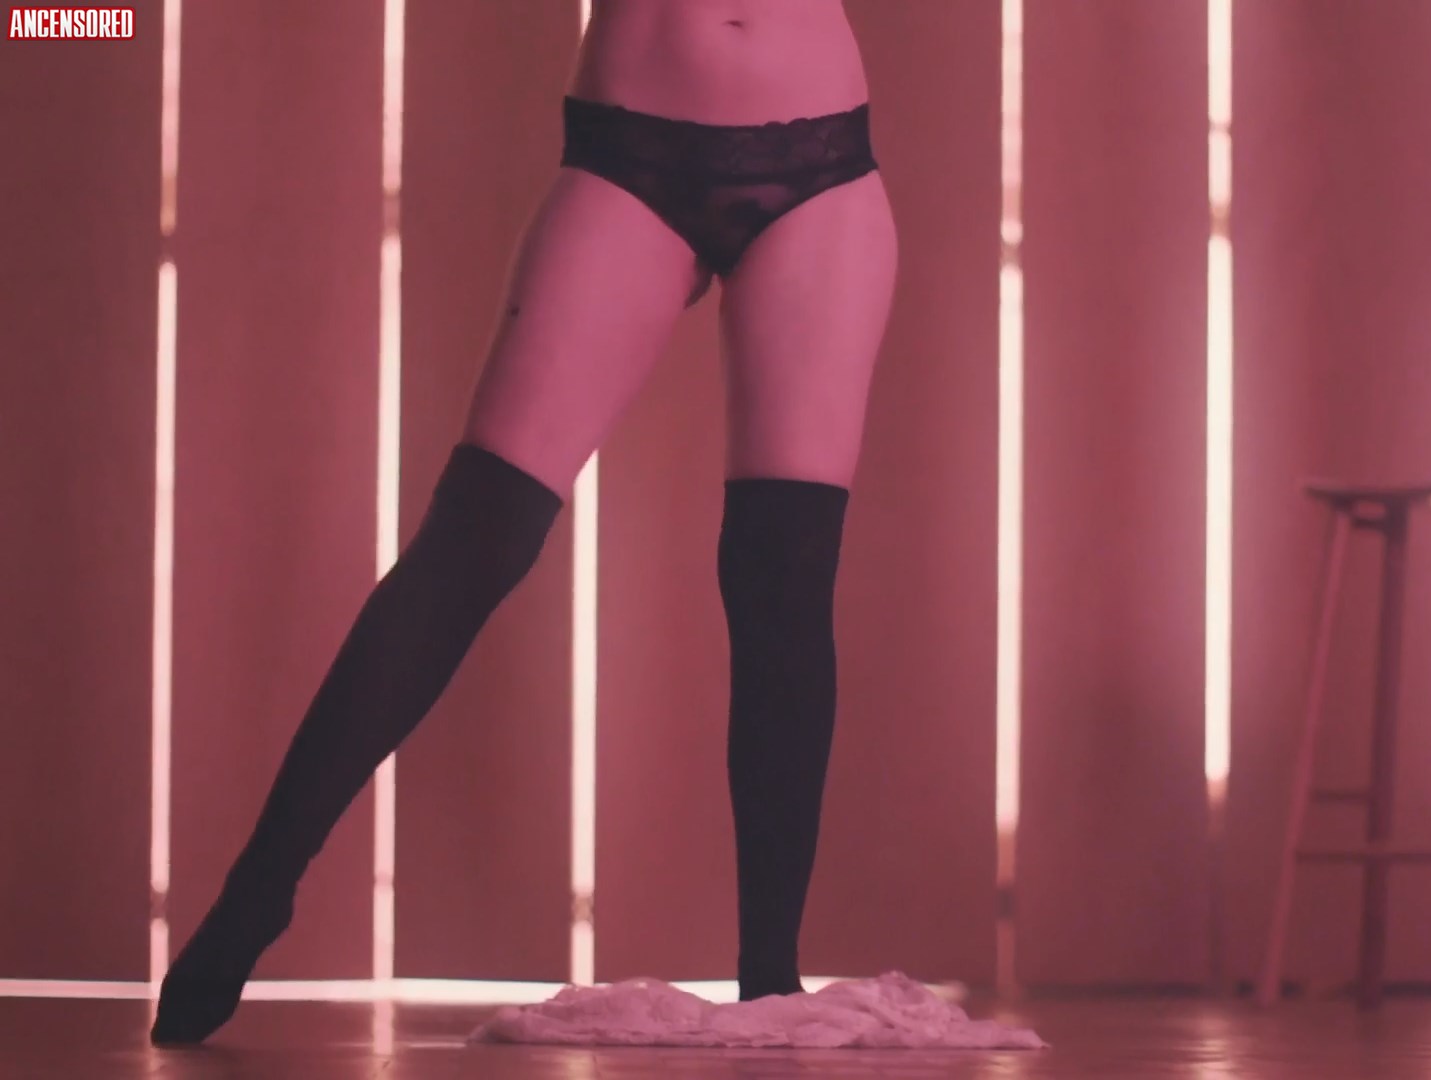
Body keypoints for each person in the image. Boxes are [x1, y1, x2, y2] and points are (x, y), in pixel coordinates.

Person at [151, 0, 896, 1044]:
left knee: (783, 572)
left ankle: (769, 976)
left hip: (822, 160)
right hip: (634, 151)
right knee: (479, 534)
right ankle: (258, 891)